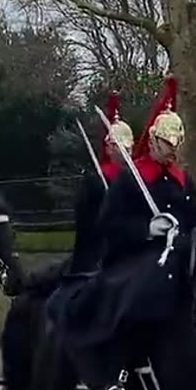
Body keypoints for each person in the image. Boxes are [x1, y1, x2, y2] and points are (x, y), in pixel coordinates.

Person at [83, 75, 196, 390]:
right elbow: (109, 224)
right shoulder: (131, 179)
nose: (169, 149)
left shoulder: (183, 181)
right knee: (135, 300)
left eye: (174, 144)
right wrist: (147, 229)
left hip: (177, 258)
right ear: (153, 139)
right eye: (164, 143)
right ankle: (120, 378)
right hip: (136, 257)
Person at [67, 92, 135, 276]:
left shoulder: (137, 178)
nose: (127, 151)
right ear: (110, 148)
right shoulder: (96, 181)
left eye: (129, 148)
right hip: (100, 253)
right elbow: (86, 222)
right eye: (121, 147)